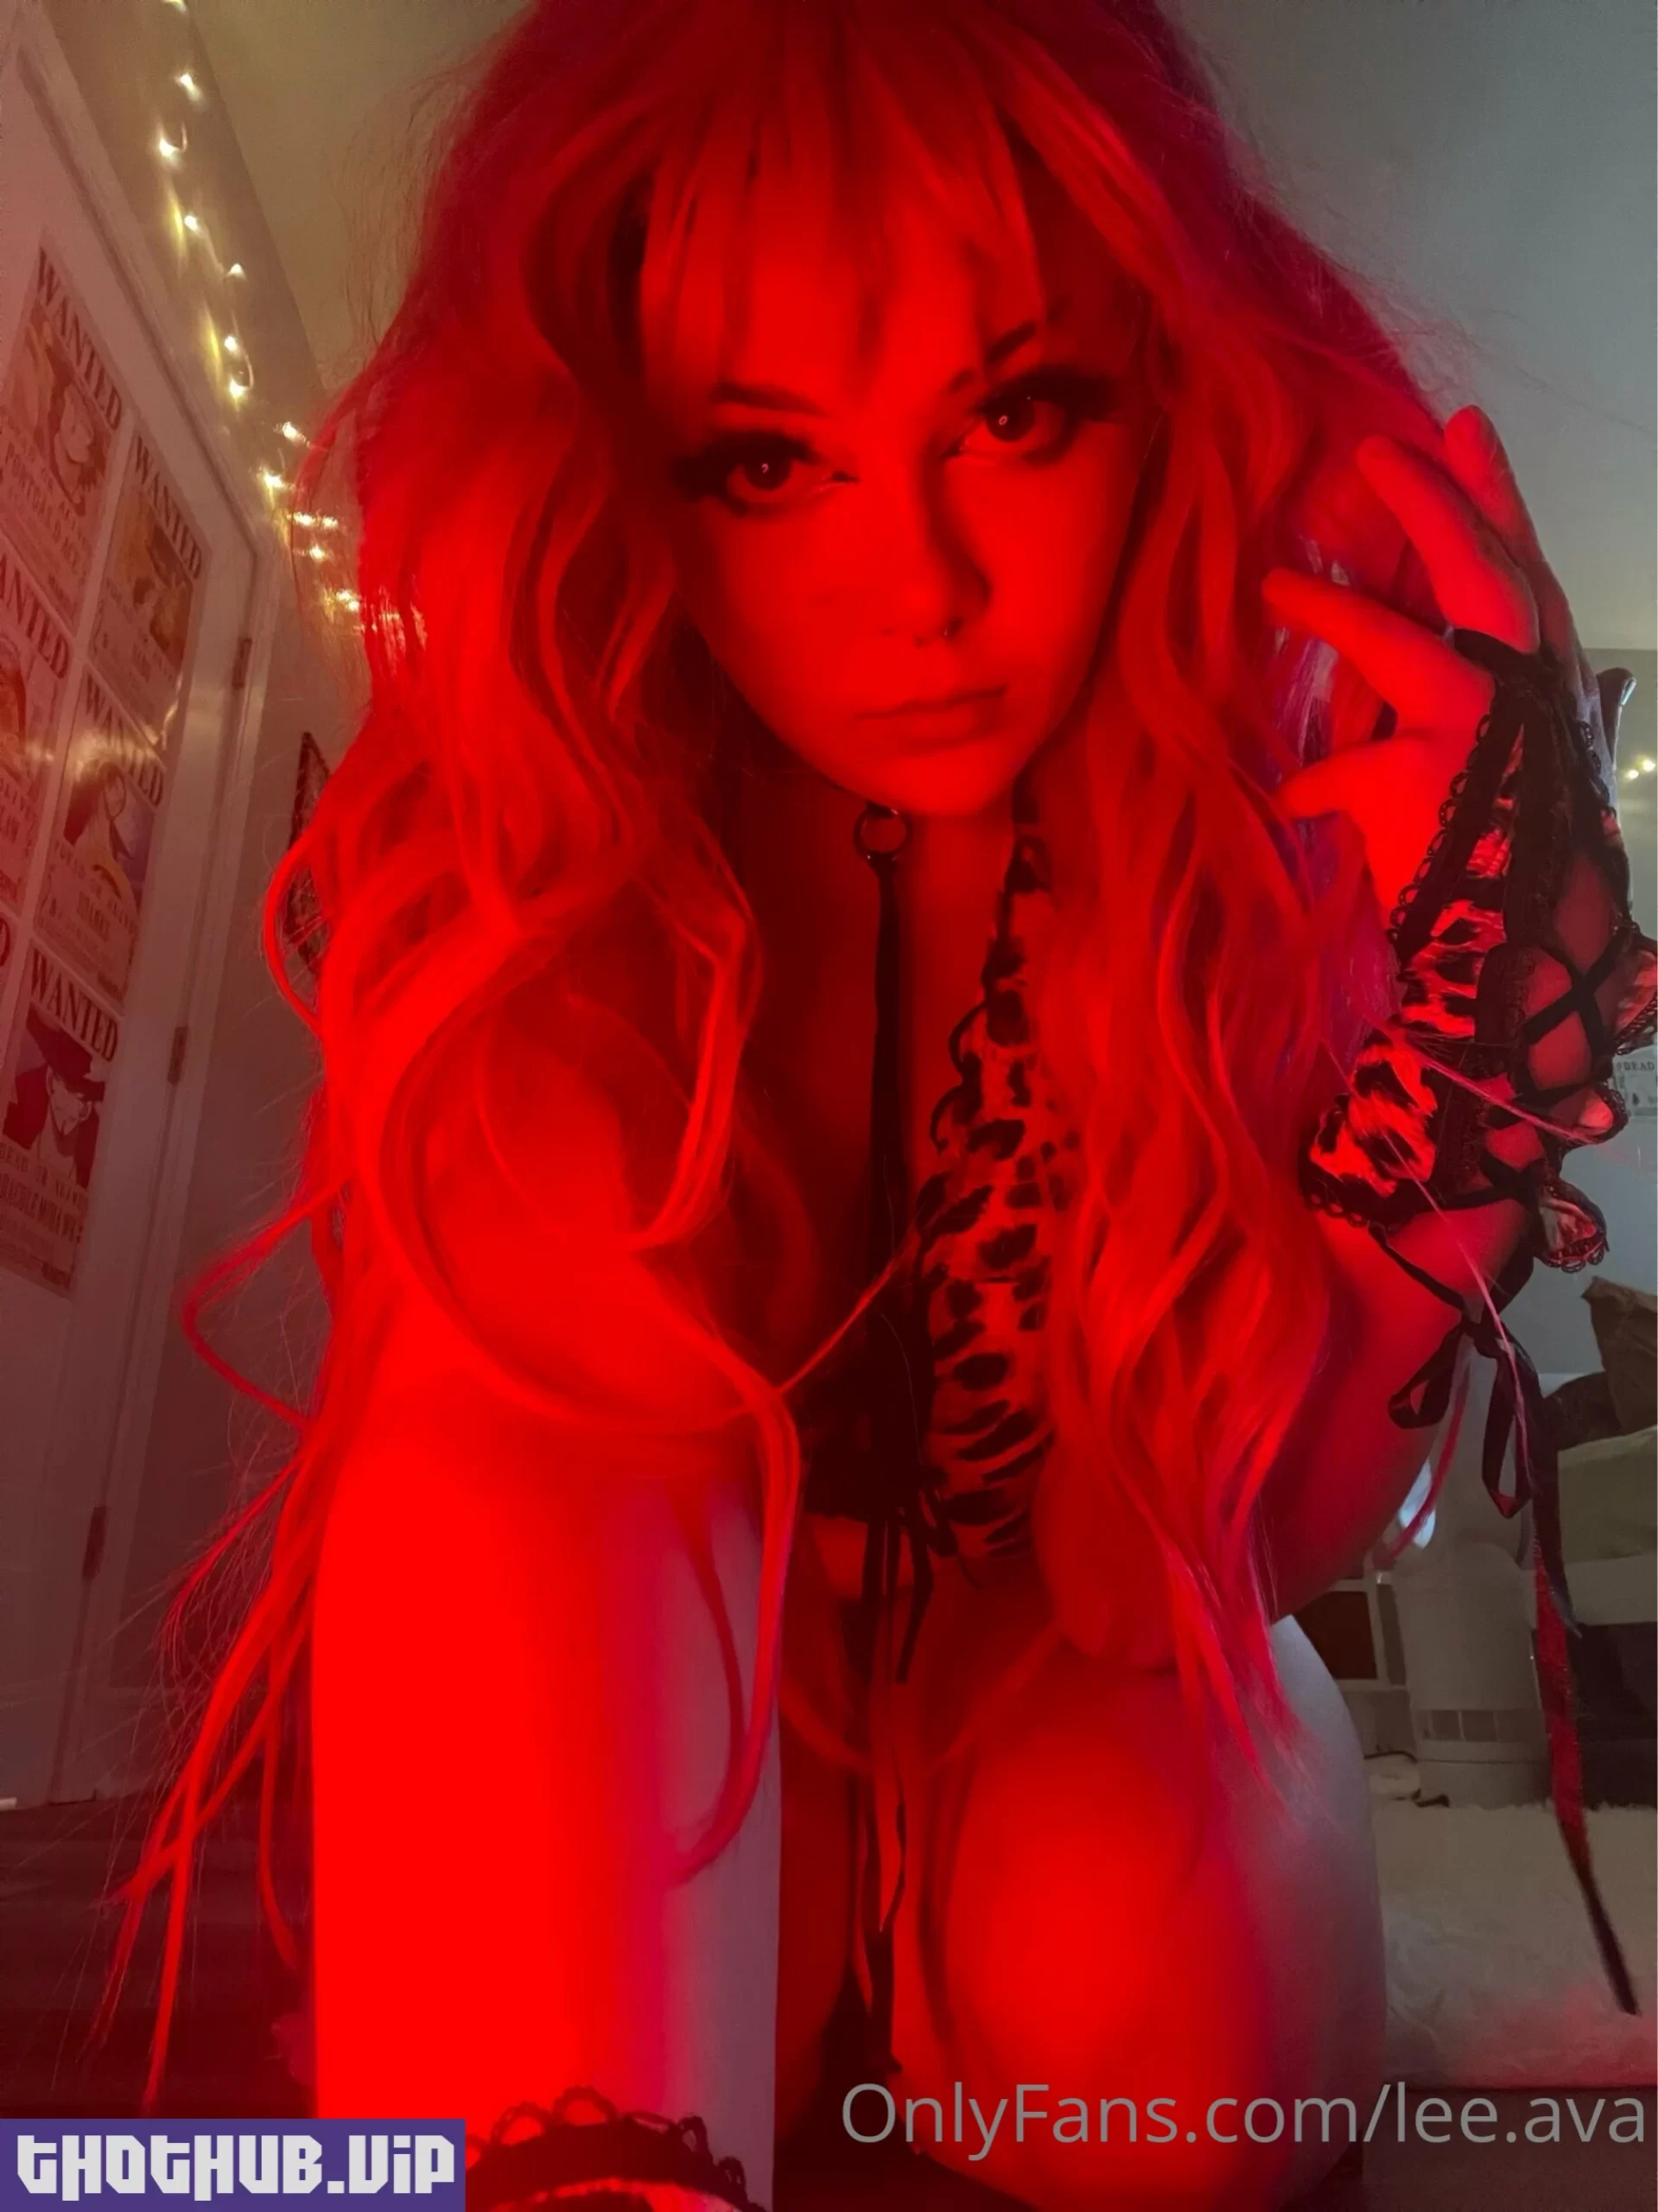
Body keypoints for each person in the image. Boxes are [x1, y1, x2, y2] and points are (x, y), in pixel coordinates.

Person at [101, 3, 1654, 2207]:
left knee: (1154, 2038)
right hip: (700, 1690)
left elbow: (1175, 1569)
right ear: (615, 456)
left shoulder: (1246, 858)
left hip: (1076, 1681)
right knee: (520, 1437)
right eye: (764, 459)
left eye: (1012, 413)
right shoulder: (556, 855)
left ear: (1162, 390)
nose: (916, 590)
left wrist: (1485, 1070)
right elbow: (522, 1485)